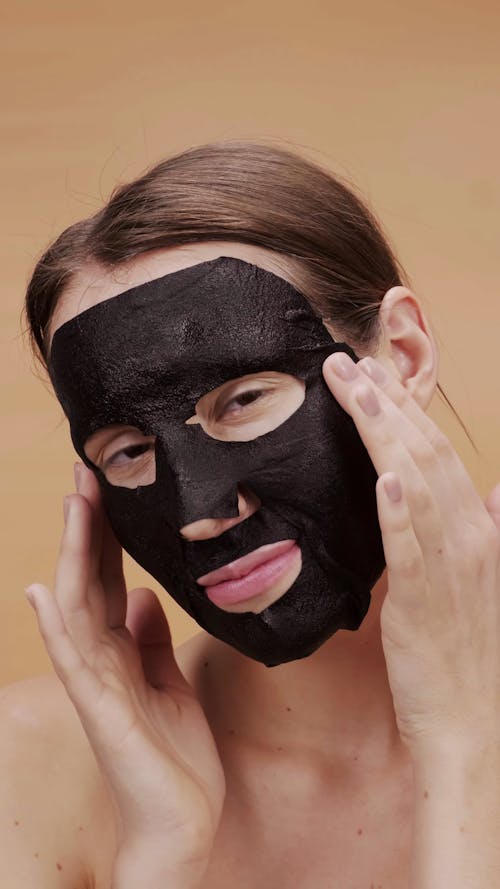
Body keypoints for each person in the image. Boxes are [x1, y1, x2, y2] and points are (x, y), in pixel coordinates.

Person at [2, 141, 499, 889]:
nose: (201, 514)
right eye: (128, 450)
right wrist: (164, 857)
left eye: (244, 401)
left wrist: (466, 752)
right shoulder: (30, 767)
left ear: (401, 352)